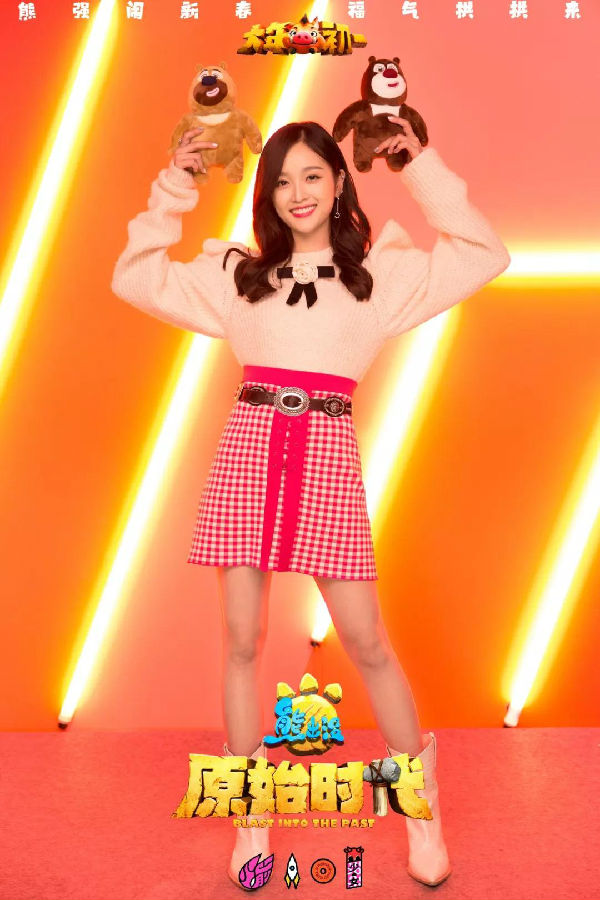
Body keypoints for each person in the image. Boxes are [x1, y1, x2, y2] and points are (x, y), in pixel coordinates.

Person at [111, 118, 511, 891]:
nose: (297, 193)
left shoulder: (379, 277)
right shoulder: (238, 276)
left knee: (367, 642)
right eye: (282, 180)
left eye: (312, 176)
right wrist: (177, 185)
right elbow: (135, 276)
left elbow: (484, 253)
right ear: (267, 194)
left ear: (338, 183)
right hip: (249, 453)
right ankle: (250, 823)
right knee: (240, 641)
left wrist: (419, 164)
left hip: (327, 457)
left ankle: (422, 814)